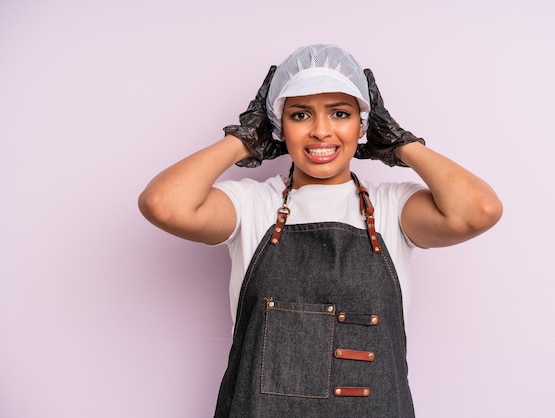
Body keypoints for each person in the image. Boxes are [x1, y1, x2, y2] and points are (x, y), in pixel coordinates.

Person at [138, 44, 502, 417]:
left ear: (363, 126)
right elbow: (162, 204)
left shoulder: (392, 208)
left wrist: (400, 144)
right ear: (279, 128)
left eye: (340, 113)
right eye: (300, 115)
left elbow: (480, 211)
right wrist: (243, 139)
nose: (321, 131)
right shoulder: (252, 205)